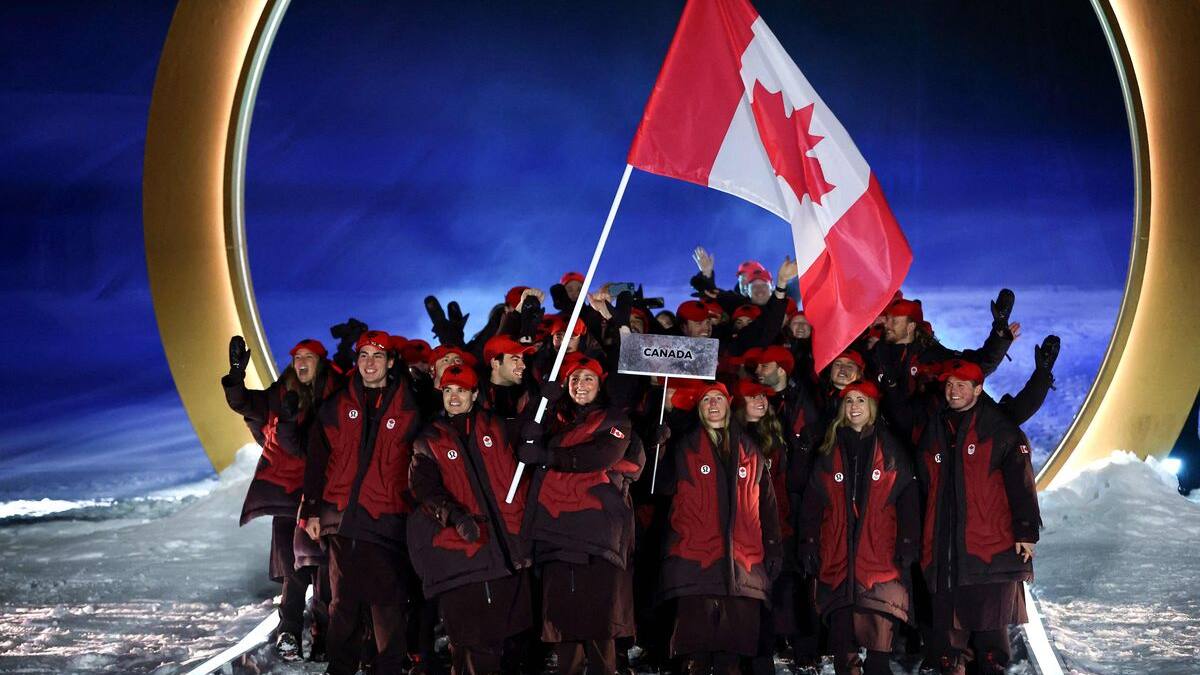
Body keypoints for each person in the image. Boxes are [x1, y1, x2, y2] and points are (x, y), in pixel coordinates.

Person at [302, 330, 421, 675]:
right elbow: (316, 461)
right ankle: (340, 668)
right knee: (345, 603)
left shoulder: (411, 406)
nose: (370, 363)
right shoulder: (337, 406)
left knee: (388, 602)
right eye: (364, 356)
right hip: (342, 518)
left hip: (388, 518)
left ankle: (388, 667)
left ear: (391, 362)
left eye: (378, 356)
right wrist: (311, 510)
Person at [518, 353, 645, 675]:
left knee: (599, 619)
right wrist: (540, 401)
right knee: (562, 620)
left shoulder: (615, 419)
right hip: (553, 530)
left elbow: (601, 455)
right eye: (573, 379)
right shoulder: (554, 418)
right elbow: (524, 437)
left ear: (600, 384)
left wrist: (549, 456)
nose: (579, 384)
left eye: (587, 378)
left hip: (597, 533)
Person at [915, 361, 1040, 675]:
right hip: (945, 547)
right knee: (948, 641)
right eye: (949, 385)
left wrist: (1026, 531)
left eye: (961, 385)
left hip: (989, 547)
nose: (953, 391)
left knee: (989, 639)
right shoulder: (936, 426)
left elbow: (1022, 484)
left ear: (978, 389)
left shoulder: (999, 429)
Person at [221, 336, 341, 661]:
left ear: (320, 361)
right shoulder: (282, 393)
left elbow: (311, 446)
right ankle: (289, 630)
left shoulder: (335, 394)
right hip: (289, 497)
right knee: (294, 569)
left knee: (324, 572)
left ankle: (322, 638)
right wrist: (235, 375)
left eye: (308, 357)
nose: (301, 362)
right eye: (297, 357)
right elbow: (244, 403)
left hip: (325, 497)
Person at [408, 365, 533, 675]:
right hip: (463, 553)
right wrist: (455, 515)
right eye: (449, 390)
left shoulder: (499, 427)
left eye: (461, 390)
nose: (454, 397)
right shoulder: (429, 440)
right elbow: (424, 489)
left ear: (475, 394)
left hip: (507, 551)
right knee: (473, 641)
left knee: (510, 641)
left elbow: (533, 438)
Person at [657, 381, 782, 675]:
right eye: (706, 400)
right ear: (699, 410)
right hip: (694, 564)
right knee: (695, 656)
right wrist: (658, 445)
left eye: (718, 399)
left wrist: (774, 548)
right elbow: (659, 487)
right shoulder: (684, 446)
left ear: (729, 404)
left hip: (743, 567)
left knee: (732, 658)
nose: (713, 404)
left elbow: (767, 505)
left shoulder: (750, 449)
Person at [798, 381, 919, 675]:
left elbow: (908, 500)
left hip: (879, 562)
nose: (854, 407)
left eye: (861, 401)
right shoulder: (828, 449)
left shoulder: (891, 449)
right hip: (837, 560)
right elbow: (813, 502)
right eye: (849, 401)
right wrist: (810, 542)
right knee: (845, 657)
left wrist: (907, 543)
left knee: (878, 657)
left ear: (872, 408)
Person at [733, 379, 814, 674]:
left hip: (777, 527)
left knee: (782, 592)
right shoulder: (732, 437)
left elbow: (785, 485)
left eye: (764, 397)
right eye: (753, 396)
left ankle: (797, 651)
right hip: (742, 530)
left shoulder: (775, 439)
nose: (761, 401)